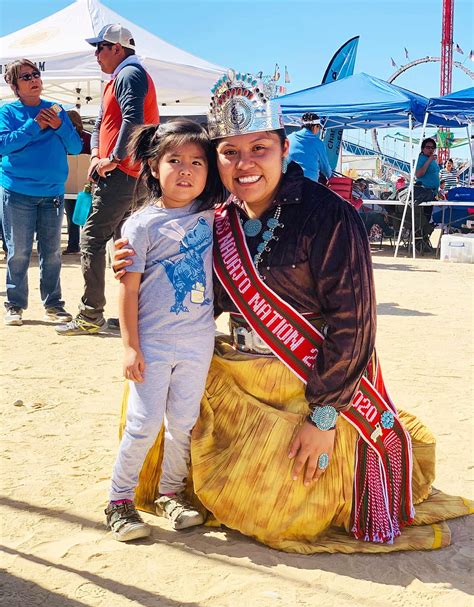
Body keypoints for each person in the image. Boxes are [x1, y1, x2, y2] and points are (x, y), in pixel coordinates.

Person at [113, 71, 471, 553]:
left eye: (259, 148)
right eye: (230, 152)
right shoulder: (215, 218)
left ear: (285, 149)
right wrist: (132, 263)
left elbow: (355, 322)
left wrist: (323, 419)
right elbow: (196, 287)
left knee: (277, 513)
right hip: (241, 374)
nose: (245, 164)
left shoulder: (328, 215)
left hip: (308, 385)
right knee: (154, 390)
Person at [105, 120, 223, 541]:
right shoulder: (140, 225)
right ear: (154, 167)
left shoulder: (215, 216)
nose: (187, 170)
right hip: (153, 343)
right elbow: (127, 288)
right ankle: (119, 500)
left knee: (183, 422)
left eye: (197, 161)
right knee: (144, 422)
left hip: (197, 341)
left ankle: (170, 492)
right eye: (175, 160)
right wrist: (130, 347)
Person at [56, 24, 159, 336]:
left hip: (122, 174)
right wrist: (97, 154)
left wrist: (111, 159)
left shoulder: (130, 74)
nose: (95, 53)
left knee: (93, 238)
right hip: (125, 172)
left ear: (117, 48)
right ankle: (132, 315)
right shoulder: (120, 77)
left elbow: (133, 120)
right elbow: (102, 120)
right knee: (126, 243)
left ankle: (91, 313)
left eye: (100, 47)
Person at [0, 59, 82, 326]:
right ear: (14, 85)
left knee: (53, 253)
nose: (34, 79)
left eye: (36, 74)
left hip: (53, 193)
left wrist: (59, 125)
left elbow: (74, 146)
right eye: (26, 77)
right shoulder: (7, 112)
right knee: (19, 252)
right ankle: (15, 304)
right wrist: (35, 126)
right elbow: (4, 145)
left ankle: (54, 305)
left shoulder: (56, 110)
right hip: (17, 192)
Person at [63, 109, 92, 255]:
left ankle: (74, 245)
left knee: (77, 215)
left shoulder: (86, 137)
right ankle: (81, 245)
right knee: (82, 215)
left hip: (74, 182)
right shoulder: (88, 137)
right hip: (84, 182)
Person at [287, 112, 332, 183]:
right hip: (309, 184)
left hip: (290, 182)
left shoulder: (289, 138)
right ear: (314, 126)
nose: (318, 130)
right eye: (319, 127)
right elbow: (325, 167)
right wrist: (330, 176)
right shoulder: (318, 143)